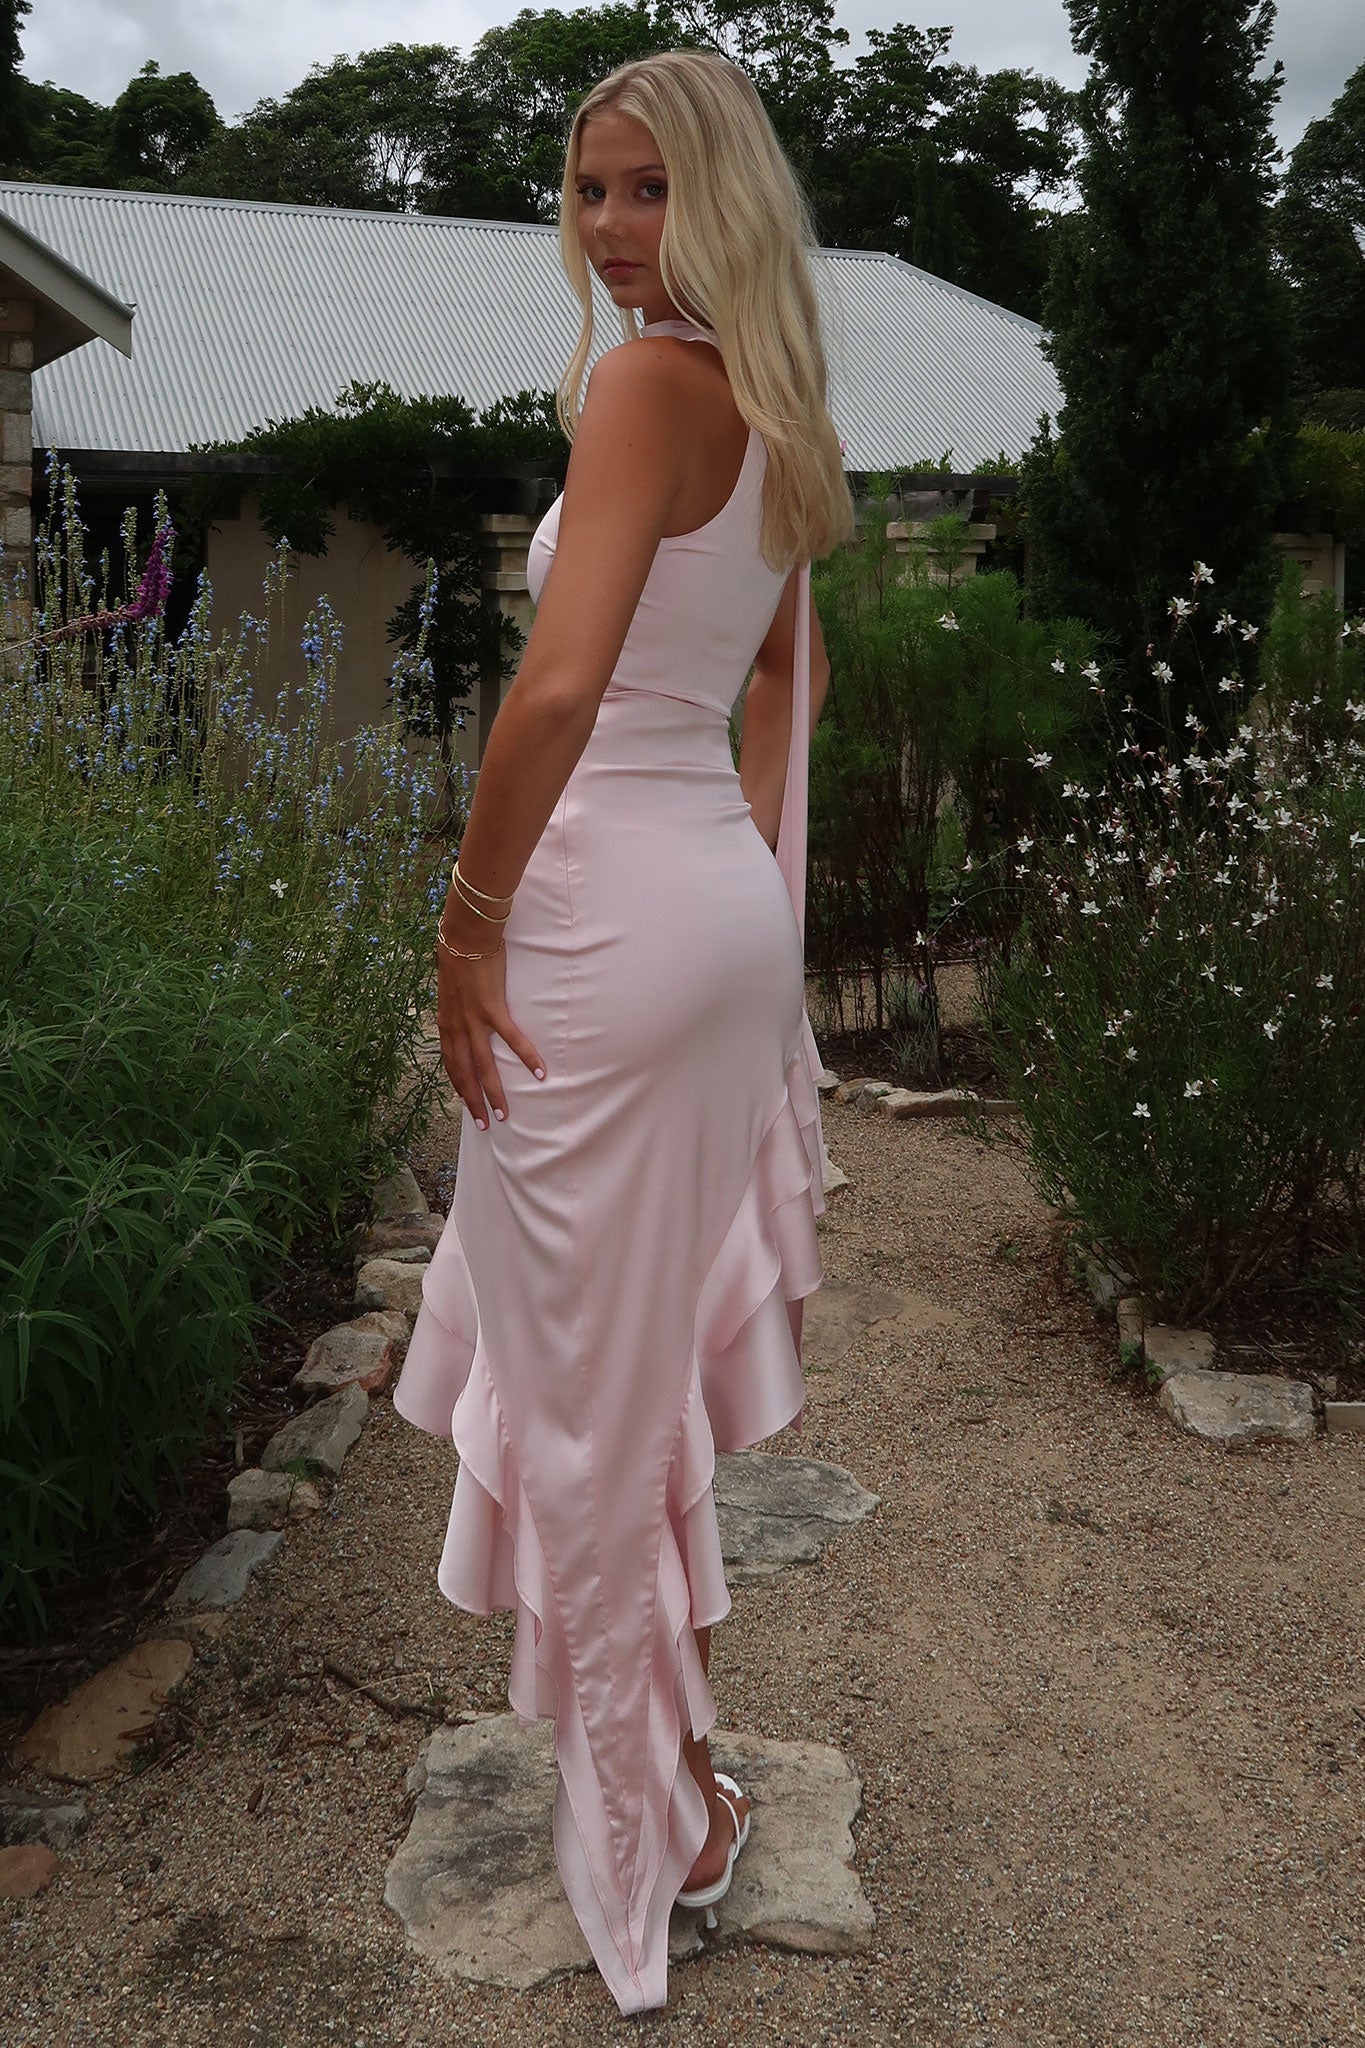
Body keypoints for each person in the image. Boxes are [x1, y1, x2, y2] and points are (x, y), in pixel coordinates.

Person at [391, 47, 853, 2016]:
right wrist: (726, 867)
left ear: (718, 195)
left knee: (584, 1413)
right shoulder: (771, 400)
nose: (607, 225)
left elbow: (558, 685)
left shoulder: (648, 388)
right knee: (622, 1387)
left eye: (645, 187)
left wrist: (468, 920)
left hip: (597, 920)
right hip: (708, 916)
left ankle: (650, 1840)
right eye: (586, 190)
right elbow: (783, 684)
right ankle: (673, 1774)